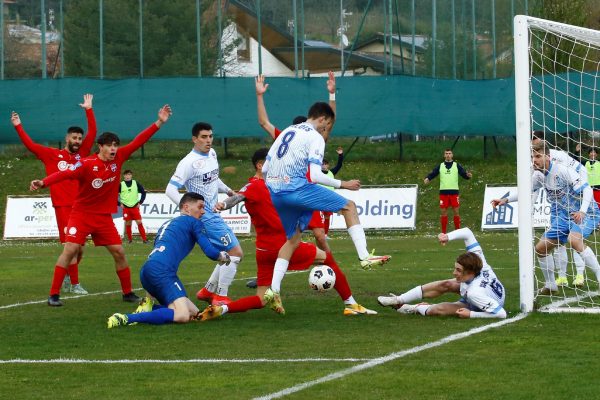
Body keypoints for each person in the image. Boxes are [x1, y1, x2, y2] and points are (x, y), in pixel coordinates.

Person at [198, 148, 376, 319]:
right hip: (283, 246)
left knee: (261, 298)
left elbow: (241, 197)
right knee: (327, 258)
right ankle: (351, 304)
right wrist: (224, 204)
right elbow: (238, 197)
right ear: (260, 165)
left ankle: (223, 308)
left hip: (263, 251)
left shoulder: (272, 184)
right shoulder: (255, 186)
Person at [30, 104, 172, 306]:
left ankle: (127, 293)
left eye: (115, 144)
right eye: (110, 145)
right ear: (101, 146)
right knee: (70, 250)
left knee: (119, 252)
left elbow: (140, 140)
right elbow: (65, 173)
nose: (114, 148)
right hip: (81, 214)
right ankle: (53, 295)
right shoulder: (86, 164)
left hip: (103, 217)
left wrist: (159, 122)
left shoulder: (119, 158)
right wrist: (43, 182)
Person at [262, 101, 390, 314]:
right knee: (349, 206)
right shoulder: (315, 137)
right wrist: (344, 184)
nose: (327, 130)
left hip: (276, 193)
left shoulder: (287, 131)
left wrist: (276, 188)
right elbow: (314, 175)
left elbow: (266, 168)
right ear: (322, 119)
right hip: (298, 189)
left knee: (292, 239)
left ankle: (273, 290)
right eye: (327, 125)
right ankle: (364, 256)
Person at [11, 94, 96, 295]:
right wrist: (18, 126)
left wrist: (89, 109)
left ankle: (67, 274)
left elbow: (93, 131)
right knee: (72, 246)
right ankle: (74, 284)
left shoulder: (81, 155)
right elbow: (31, 146)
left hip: (82, 207)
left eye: (79, 138)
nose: (77, 141)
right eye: (74, 138)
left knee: (80, 249)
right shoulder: (51, 155)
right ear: (67, 138)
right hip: (63, 206)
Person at [107, 192, 231, 328]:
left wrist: (149, 295)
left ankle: (148, 307)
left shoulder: (167, 224)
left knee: (194, 313)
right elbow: (210, 252)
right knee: (183, 315)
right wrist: (222, 256)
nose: (203, 212)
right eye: (200, 207)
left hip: (147, 271)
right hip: (163, 272)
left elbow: (158, 255)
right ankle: (126, 318)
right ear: (186, 207)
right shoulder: (194, 222)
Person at [491, 141, 600, 294]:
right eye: (532, 157)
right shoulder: (537, 176)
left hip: (587, 212)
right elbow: (525, 191)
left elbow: (587, 190)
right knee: (541, 248)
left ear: (548, 157)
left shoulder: (563, 170)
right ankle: (551, 285)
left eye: (537, 156)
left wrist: (582, 211)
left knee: (574, 240)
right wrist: (505, 200)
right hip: (564, 216)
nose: (534, 160)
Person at [256, 72, 337, 253]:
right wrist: (259, 96)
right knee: (284, 236)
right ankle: (272, 268)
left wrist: (332, 95)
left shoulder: (316, 137)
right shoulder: (286, 138)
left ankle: (330, 270)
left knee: (320, 236)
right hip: (288, 190)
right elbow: (263, 122)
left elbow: (329, 122)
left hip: (306, 191)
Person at [165, 122, 242, 306]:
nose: (208, 140)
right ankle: (221, 296)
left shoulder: (212, 154)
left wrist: (229, 191)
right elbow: (170, 189)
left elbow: (214, 178)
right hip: (205, 216)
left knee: (227, 252)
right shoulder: (188, 162)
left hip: (213, 214)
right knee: (235, 252)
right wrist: (189, 210)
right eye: (204, 137)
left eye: (210, 136)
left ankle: (208, 290)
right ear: (194, 139)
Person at [377, 228, 507, 319]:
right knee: (446, 284)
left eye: (458, 270)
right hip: (484, 292)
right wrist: (447, 236)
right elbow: (467, 233)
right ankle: (398, 300)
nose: (454, 272)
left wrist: (471, 314)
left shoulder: (475, 293)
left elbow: (501, 314)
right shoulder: (480, 262)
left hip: (481, 305)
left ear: (470, 272)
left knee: (438, 310)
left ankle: (415, 308)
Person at [531, 131, 589, 287]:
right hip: (556, 204)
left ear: (541, 140)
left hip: (572, 199)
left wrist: (581, 197)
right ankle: (561, 276)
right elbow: (532, 187)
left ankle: (579, 275)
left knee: (575, 239)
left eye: (534, 139)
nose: (532, 142)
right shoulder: (533, 160)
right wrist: (530, 209)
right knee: (557, 242)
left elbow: (580, 171)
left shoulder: (557, 155)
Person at [423, 149, 472, 233]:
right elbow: (434, 173)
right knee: (443, 212)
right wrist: (428, 178)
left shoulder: (457, 165)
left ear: (452, 155)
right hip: (443, 193)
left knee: (456, 212)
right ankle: (444, 233)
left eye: (449, 153)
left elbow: (464, 174)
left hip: (454, 192)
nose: (448, 155)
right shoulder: (441, 165)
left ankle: (458, 233)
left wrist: (468, 176)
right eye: (446, 153)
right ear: (444, 155)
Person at [118, 169, 148, 244]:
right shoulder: (121, 184)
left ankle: (144, 239)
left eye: (129, 174)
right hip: (126, 207)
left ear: (131, 175)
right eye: (126, 175)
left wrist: (140, 202)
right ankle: (130, 240)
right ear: (124, 176)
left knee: (139, 222)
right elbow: (113, 194)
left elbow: (143, 192)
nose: (127, 176)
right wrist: (119, 204)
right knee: (128, 223)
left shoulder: (135, 183)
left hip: (134, 206)